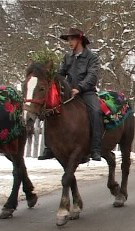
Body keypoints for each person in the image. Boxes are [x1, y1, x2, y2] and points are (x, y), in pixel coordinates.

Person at [38, 27, 103, 161]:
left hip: (86, 92)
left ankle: (96, 148)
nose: (69, 42)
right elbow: (61, 74)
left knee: (96, 111)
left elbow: (92, 75)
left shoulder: (92, 57)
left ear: (80, 40)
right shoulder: (68, 57)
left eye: (72, 39)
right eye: (68, 40)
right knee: (50, 110)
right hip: (68, 92)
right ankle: (49, 148)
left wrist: (80, 87)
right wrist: (50, 75)